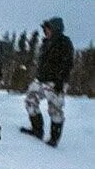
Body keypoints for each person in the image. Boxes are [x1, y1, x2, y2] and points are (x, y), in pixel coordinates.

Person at [22, 16, 73, 147]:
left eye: (48, 28)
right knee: (30, 101)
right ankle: (37, 130)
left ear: (55, 29)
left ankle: (54, 139)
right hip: (41, 80)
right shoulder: (46, 42)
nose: (46, 31)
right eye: (45, 29)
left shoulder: (64, 42)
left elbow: (67, 64)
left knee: (55, 110)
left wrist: (60, 82)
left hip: (56, 82)